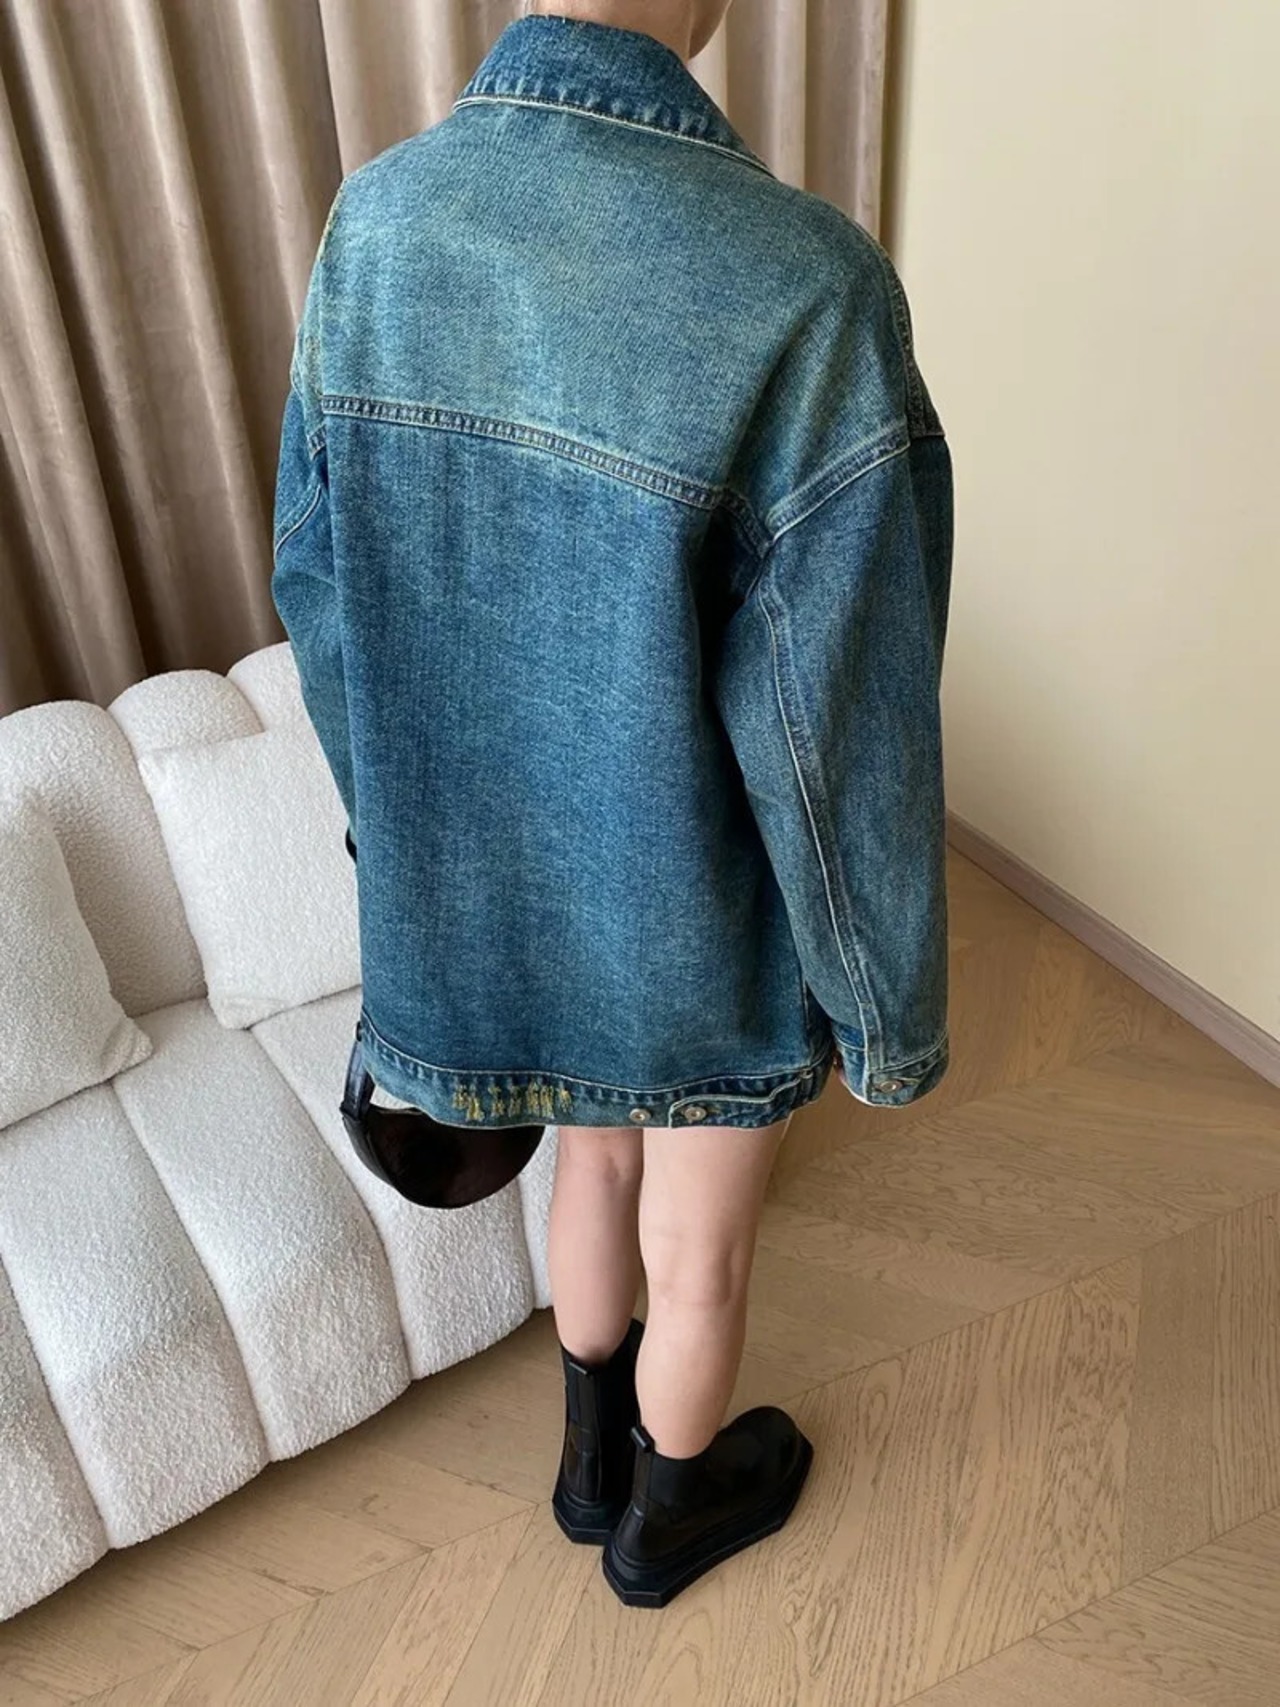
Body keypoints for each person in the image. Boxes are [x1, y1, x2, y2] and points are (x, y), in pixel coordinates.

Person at [272, 0, 952, 1610]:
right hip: (701, 915)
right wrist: (885, 1013)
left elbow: (321, 596)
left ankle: (589, 1462)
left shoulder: (379, 222)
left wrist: (406, 845)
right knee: (702, 1250)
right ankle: (666, 1516)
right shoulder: (803, 282)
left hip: (512, 895)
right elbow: (837, 724)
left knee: (593, 1171)